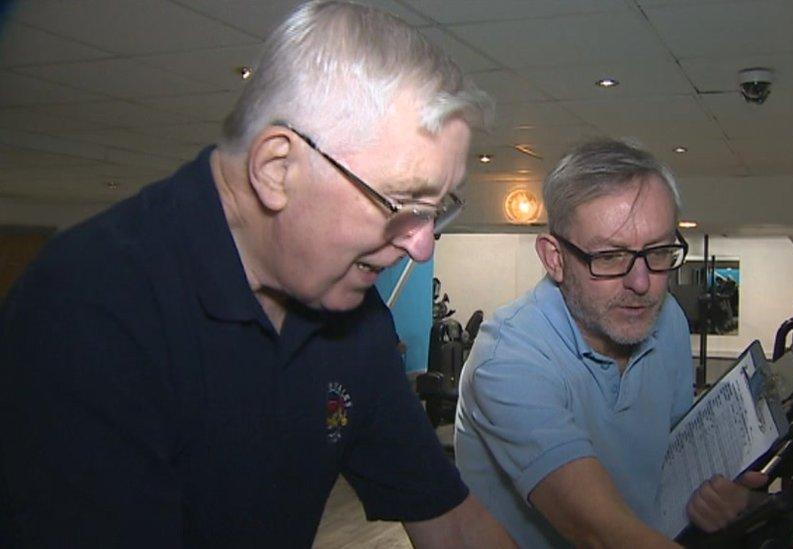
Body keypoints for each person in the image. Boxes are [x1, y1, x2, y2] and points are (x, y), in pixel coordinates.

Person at [0, 2, 514, 547]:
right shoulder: (88, 308)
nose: (421, 243)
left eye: (437, 209)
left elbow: (451, 523)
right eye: (405, 203)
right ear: (277, 170)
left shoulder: (352, 315)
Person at [454, 139, 765, 547]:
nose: (641, 284)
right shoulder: (507, 361)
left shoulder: (666, 317)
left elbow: (676, 454)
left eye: (658, 251)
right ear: (554, 258)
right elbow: (603, 535)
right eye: (610, 256)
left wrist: (719, 489)